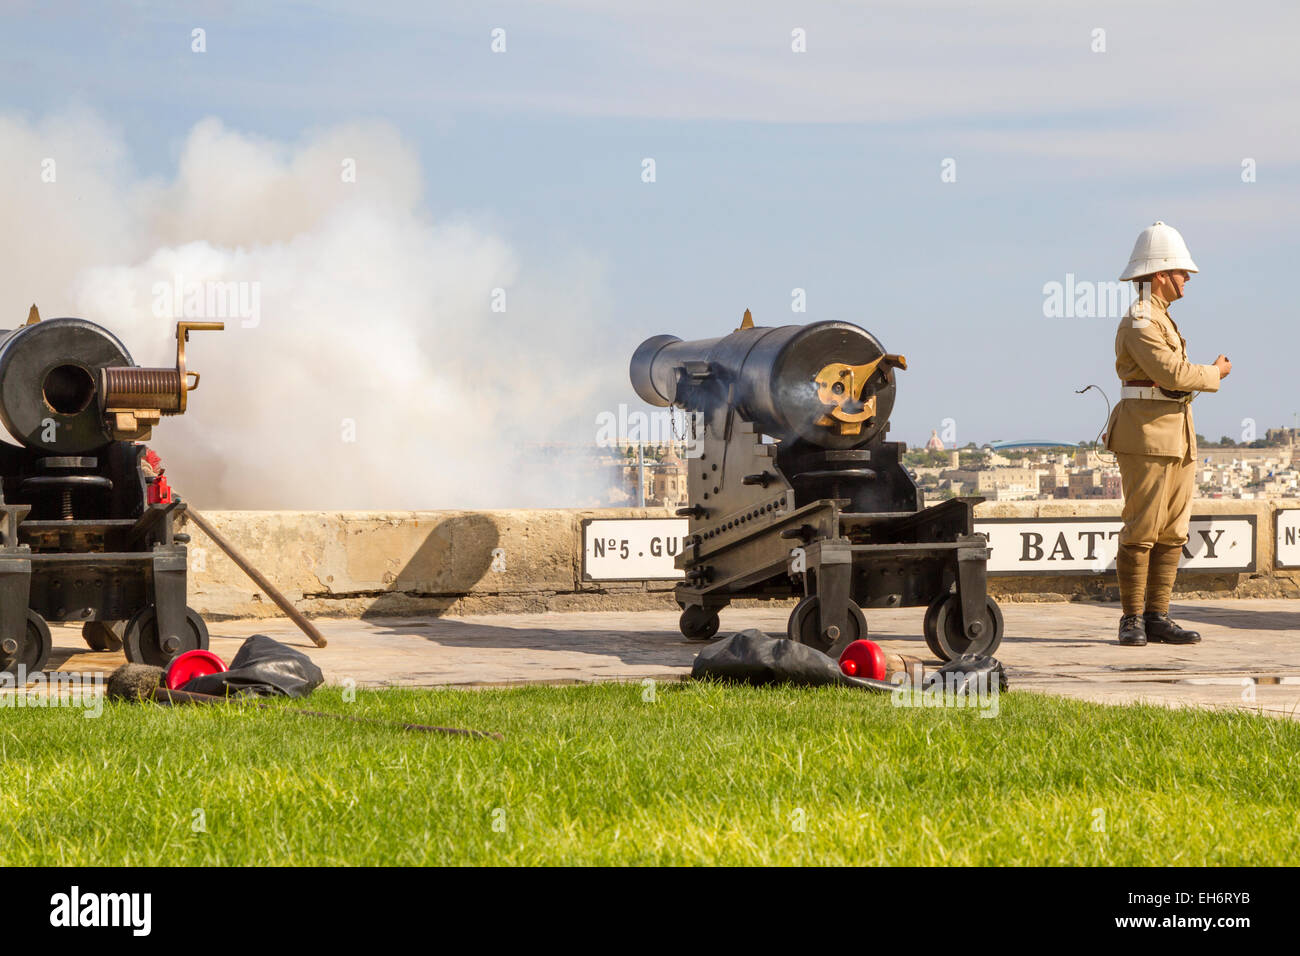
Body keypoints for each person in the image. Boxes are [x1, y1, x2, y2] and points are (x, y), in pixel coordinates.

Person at [1103, 221, 1231, 646]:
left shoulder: (1158, 318)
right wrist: (1215, 373)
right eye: (1180, 272)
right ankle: (1133, 618)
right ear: (1160, 274)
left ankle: (1157, 615)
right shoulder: (1142, 319)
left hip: (1174, 433)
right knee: (1142, 528)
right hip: (1147, 436)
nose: (1186, 279)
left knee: (1173, 530)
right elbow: (1171, 373)